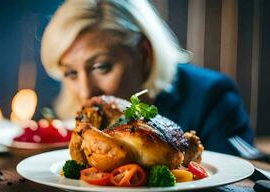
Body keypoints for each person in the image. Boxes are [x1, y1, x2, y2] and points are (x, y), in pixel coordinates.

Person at [40, 0, 253, 154]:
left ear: (144, 53)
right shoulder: (78, 118)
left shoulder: (212, 96)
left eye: (101, 67)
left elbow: (233, 183)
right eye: (71, 73)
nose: (85, 91)